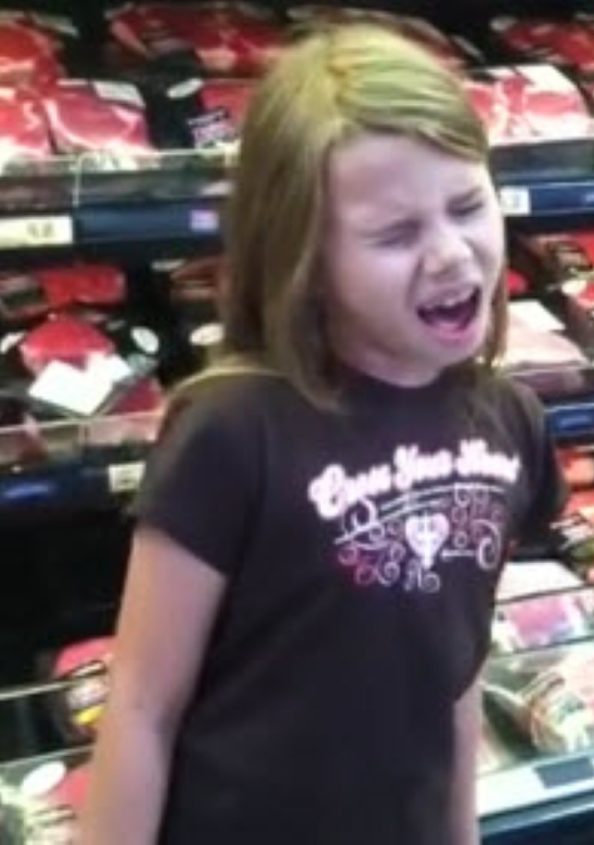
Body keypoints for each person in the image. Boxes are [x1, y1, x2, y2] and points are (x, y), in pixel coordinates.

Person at [82, 24, 567, 845]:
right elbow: (139, 706)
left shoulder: (507, 421)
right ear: (302, 253)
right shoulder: (232, 431)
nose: (451, 254)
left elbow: (456, 672)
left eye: (466, 205)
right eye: (394, 234)